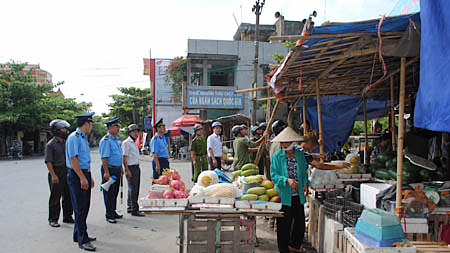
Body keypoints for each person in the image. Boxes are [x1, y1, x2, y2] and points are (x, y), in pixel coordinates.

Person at [270, 127, 310, 253]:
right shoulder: (277, 156)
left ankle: (294, 245)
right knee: (283, 224)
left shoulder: (300, 154)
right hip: (283, 195)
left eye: (286, 142)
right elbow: (274, 175)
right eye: (282, 143)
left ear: (292, 142)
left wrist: (305, 183)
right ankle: (283, 249)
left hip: (298, 194)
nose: (284, 145)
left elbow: (304, 172)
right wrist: (287, 180)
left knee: (300, 223)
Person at [66, 112, 96, 251]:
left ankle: (78, 234)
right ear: (86, 124)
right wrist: (82, 177)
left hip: (84, 173)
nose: (92, 126)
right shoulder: (74, 138)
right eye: (91, 124)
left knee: (84, 206)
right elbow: (73, 159)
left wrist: (89, 176)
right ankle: (82, 240)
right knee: (80, 208)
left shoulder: (83, 138)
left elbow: (84, 161)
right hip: (77, 175)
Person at [45, 119, 73, 228]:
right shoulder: (50, 145)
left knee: (68, 195)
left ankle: (68, 216)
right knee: (55, 197)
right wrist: (53, 175)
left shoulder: (66, 142)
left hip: (67, 171)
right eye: (62, 129)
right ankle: (53, 219)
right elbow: (48, 161)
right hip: (56, 171)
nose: (65, 131)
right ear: (56, 130)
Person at [99, 118, 124, 224]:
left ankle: (113, 211)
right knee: (108, 193)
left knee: (115, 192)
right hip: (109, 169)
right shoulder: (105, 140)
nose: (118, 128)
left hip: (117, 169)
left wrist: (121, 167)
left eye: (118, 126)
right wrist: (106, 172)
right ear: (109, 128)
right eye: (115, 126)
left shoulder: (116, 140)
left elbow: (118, 155)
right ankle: (109, 214)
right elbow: (104, 157)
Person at [122, 124, 145, 217]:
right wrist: (127, 170)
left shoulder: (135, 142)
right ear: (130, 133)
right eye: (134, 132)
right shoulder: (126, 143)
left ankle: (130, 207)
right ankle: (134, 209)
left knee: (133, 188)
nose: (136, 133)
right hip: (131, 167)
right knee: (133, 189)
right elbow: (124, 157)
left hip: (136, 167)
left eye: (137, 131)